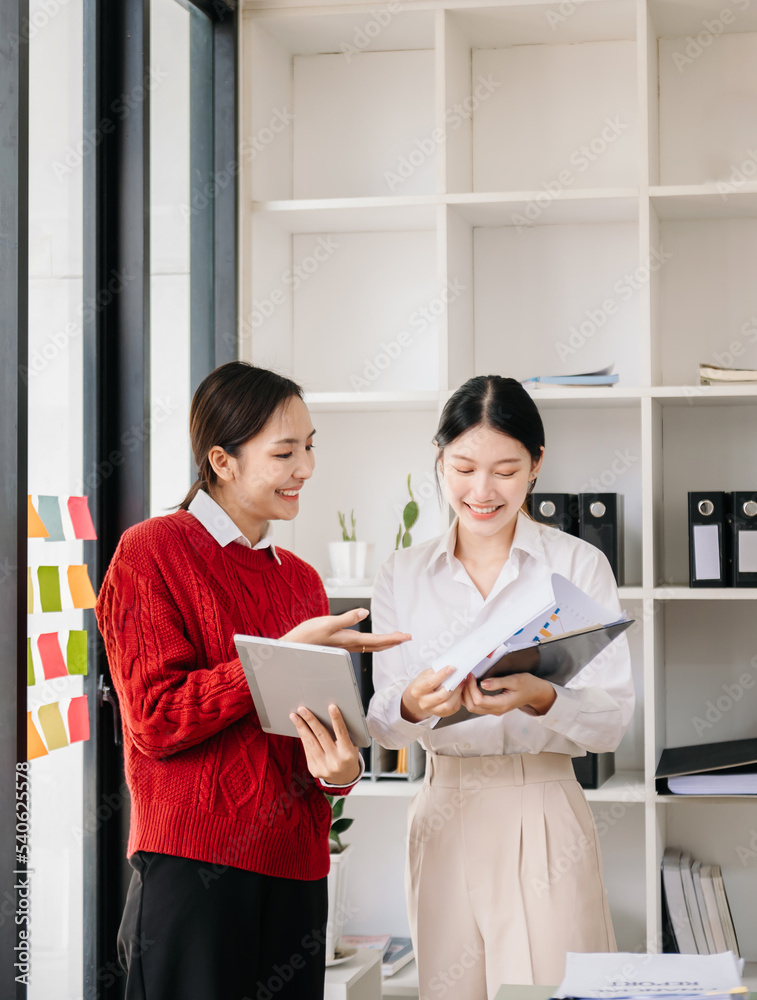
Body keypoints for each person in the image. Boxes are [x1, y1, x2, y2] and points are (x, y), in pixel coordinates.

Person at [96, 361, 409, 1000]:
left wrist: (341, 769)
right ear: (223, 460)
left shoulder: (299, 579)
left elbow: (316, 746)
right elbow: (155, 719)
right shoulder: (150, 552)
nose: (306, 469)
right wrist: (275, 656)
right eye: (285, 452)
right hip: (193, 867)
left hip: (296, 871)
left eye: (310, 447)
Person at [367, 375, 635, 997]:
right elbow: (381, 721)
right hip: (443, 808)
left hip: (541, 801)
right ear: (440, 460)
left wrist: (541, 695)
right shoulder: (403, 573)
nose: (481, 491)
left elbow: (611, 721)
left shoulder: (576, 565)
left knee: (553, 988)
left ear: (537, 466)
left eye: (506, 470)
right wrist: (411, 704)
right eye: (462, 467)